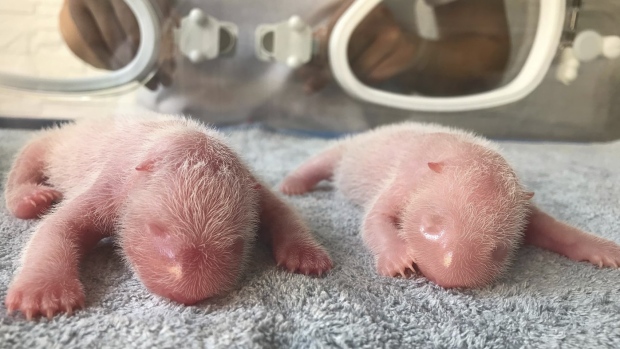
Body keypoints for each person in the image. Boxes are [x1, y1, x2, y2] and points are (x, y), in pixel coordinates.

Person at [58, 0, 511, 133]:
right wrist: (100, 28)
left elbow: (488, 52)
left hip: (348, 145)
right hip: (156, 140)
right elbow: (82, 22)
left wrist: (416, 54)